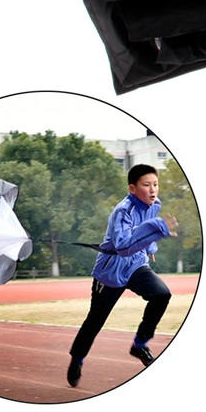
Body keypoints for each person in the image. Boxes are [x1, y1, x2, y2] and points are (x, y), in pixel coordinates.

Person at [67, 164, 178, 388]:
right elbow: (124, 246)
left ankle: (139, 344)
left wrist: (150, 247)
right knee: (95, 321)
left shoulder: (154, 205)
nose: (153, 190)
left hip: (136, 265)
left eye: (155, 184)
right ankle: (77, 359)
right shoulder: (122, 212)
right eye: (146, 185)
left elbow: (144, 233)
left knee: (161, 294)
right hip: (111, 271)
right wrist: (157, 227)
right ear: (132, 188)